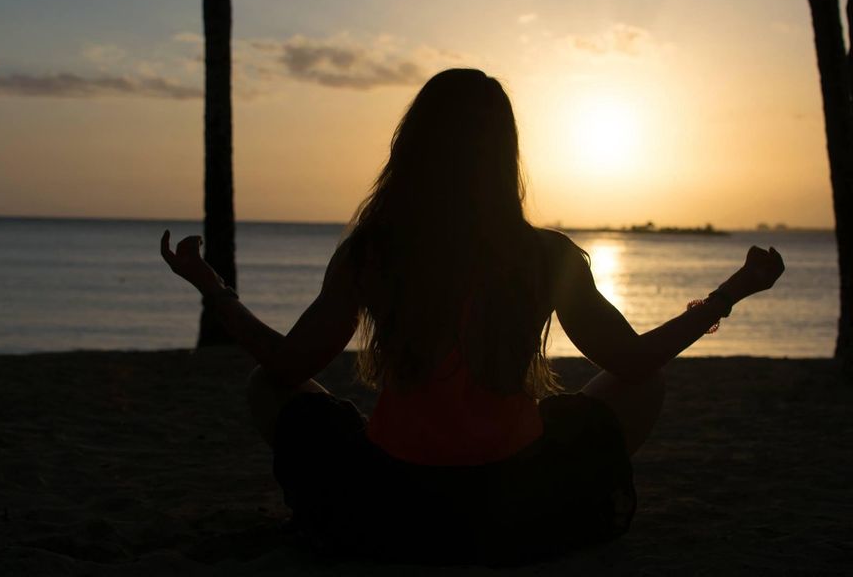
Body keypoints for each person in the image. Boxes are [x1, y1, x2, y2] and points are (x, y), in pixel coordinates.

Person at [161, 68, 785, 565]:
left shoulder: (372, 252)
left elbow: (287, 364)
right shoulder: (545, 255)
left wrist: (212, 287)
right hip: (512, 502)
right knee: (642, 384)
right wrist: (730, 292)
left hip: (394, 499)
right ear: (503, 155)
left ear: (414, 149)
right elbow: (635, 363)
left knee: (267, 388)